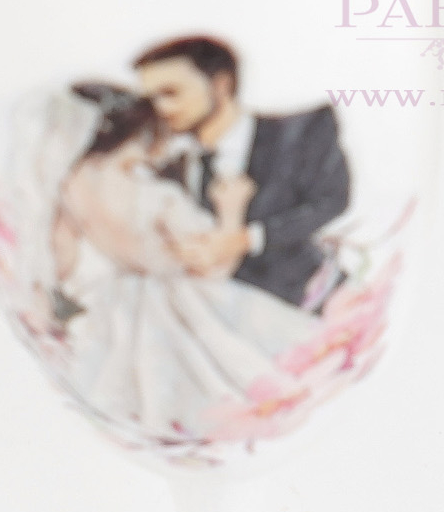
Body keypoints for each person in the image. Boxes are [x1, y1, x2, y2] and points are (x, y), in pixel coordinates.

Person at [39, 84, 318, 441]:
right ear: (142, 135)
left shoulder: (71, 186)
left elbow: (61, 256)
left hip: (116, 303)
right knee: (219, 367)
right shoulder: (156, 196)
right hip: (179, 301)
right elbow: (214, 266)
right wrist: (231, 212)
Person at [134, 36, 351, 310]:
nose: (160, 108)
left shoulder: (299, 133)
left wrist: (247, 239)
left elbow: (332, 200)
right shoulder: (168, 170)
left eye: (171, 93)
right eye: (151, 99)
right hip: (222, 316)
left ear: (221, 85)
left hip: (315, 304)